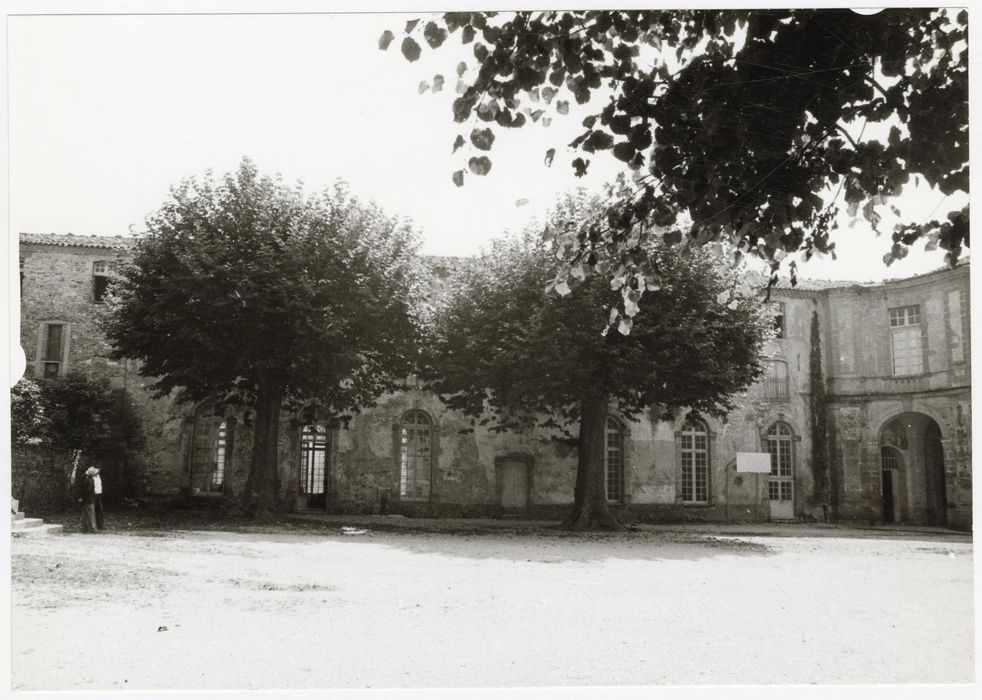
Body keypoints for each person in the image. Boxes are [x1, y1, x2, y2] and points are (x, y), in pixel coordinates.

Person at [79, 467, 98, 533]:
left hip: (85, 500)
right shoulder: (91, 480)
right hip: (90, 500)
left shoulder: (85, 480)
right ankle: (93, 529)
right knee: (91, 514)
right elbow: (88, 491)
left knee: (84, 514)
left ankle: (83, 528)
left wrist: (82, 498)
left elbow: (83, 490)